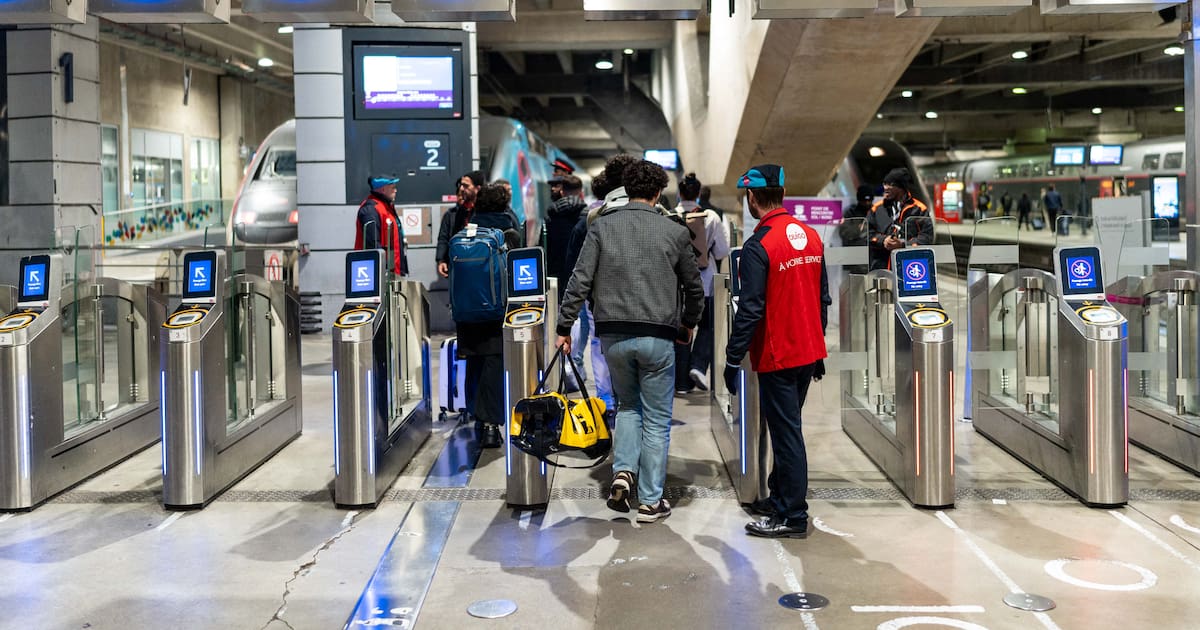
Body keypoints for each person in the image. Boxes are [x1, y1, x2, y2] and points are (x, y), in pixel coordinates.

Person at [556, 159, 704, 524]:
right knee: (656, 418)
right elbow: (694, 287)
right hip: (658, 336)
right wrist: (688, 323)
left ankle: (623, 473)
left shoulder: (601, 226)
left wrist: (564, 326)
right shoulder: (674, 230)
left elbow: (579, 280)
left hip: (613, 335)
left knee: (627, 406)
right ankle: (650, 501)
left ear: (626, 189)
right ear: (658, 192)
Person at [722, 164, 830, 539]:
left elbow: (750, 310)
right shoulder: (811, 236)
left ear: (752, 197)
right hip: (807, 352)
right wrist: (817, 349)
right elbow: (822, 299)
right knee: (789, 428)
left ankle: (793, 516)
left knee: (786, 437)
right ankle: (780, 497)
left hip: (778, 354)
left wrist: (732, 358)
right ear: (782, 194)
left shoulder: (760, 245)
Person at [451, 183, 524, 449]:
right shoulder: (509, 233)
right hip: (496, 312)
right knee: (494, 365)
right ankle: (492, 426)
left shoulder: (464, 235)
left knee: (474, 363)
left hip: (466, 313)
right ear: (504, 205)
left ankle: (478, 418)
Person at [673, 172, 730, 394]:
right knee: (707, 326)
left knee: (682, 329)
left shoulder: (670, 215)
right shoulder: (711, 217)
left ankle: (681, 383)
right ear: (698, 194)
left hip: (678, 284)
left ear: (680, 193)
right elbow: (722, 251)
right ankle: (698, 366)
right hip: (705, 282)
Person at [866, 168, 933, 271]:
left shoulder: (919, 209)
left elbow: (927, 236)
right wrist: (883, 240)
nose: (886, 187)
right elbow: (866, 233)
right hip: (881, 268)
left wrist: (903, 244)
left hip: (909, 267)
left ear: (902, 187)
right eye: (885, 183)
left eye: (891, 184)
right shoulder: (876, 209)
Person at [354, 175, 408, 276]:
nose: (395, 190)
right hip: (377, 273)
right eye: (393, 187)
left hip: (392, 271)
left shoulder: (386, 207)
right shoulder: (371, 210)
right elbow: (373, 245)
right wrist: (385, 269)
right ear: (383, 189)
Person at [436, 170, 486, 278]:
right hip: (459, 266)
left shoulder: (486, 211)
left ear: (477, 188)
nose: (461, 189)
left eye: (466, 186)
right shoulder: (458, 213)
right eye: (461, 185)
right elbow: (445, 238)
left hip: (481, 266)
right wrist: (441, 259)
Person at [545, 174, 587, 300]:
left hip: (556, 268)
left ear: (562, 192)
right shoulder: (587, 214)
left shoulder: (551, 214)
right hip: (580, 267)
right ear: (580, 192)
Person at [839, 184, 873, 274]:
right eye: (864, 201)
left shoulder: (876, 211)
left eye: (869, 200)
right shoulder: (851, 213)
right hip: (856, 258)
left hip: (874, 257)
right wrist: (860, 229)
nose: (867, 203)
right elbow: (844, 232)